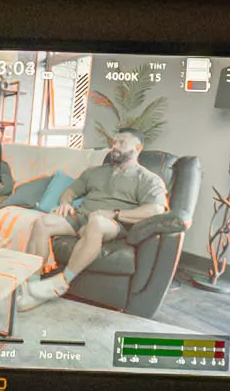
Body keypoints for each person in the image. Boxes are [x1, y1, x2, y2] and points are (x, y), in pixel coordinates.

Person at [18, 127, 181, 306]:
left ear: (138, 148)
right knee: (42, 223)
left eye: (122, 143)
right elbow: (71, 191)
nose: (115, 146)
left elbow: (156, 209)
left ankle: (61, 283)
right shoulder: (95, 171)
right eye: (114, 142)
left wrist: (115, 214)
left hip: (112, 223)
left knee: (96, 222)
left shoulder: (148, 179)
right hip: (82, 217)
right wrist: (65, 203)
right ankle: (33, 288)